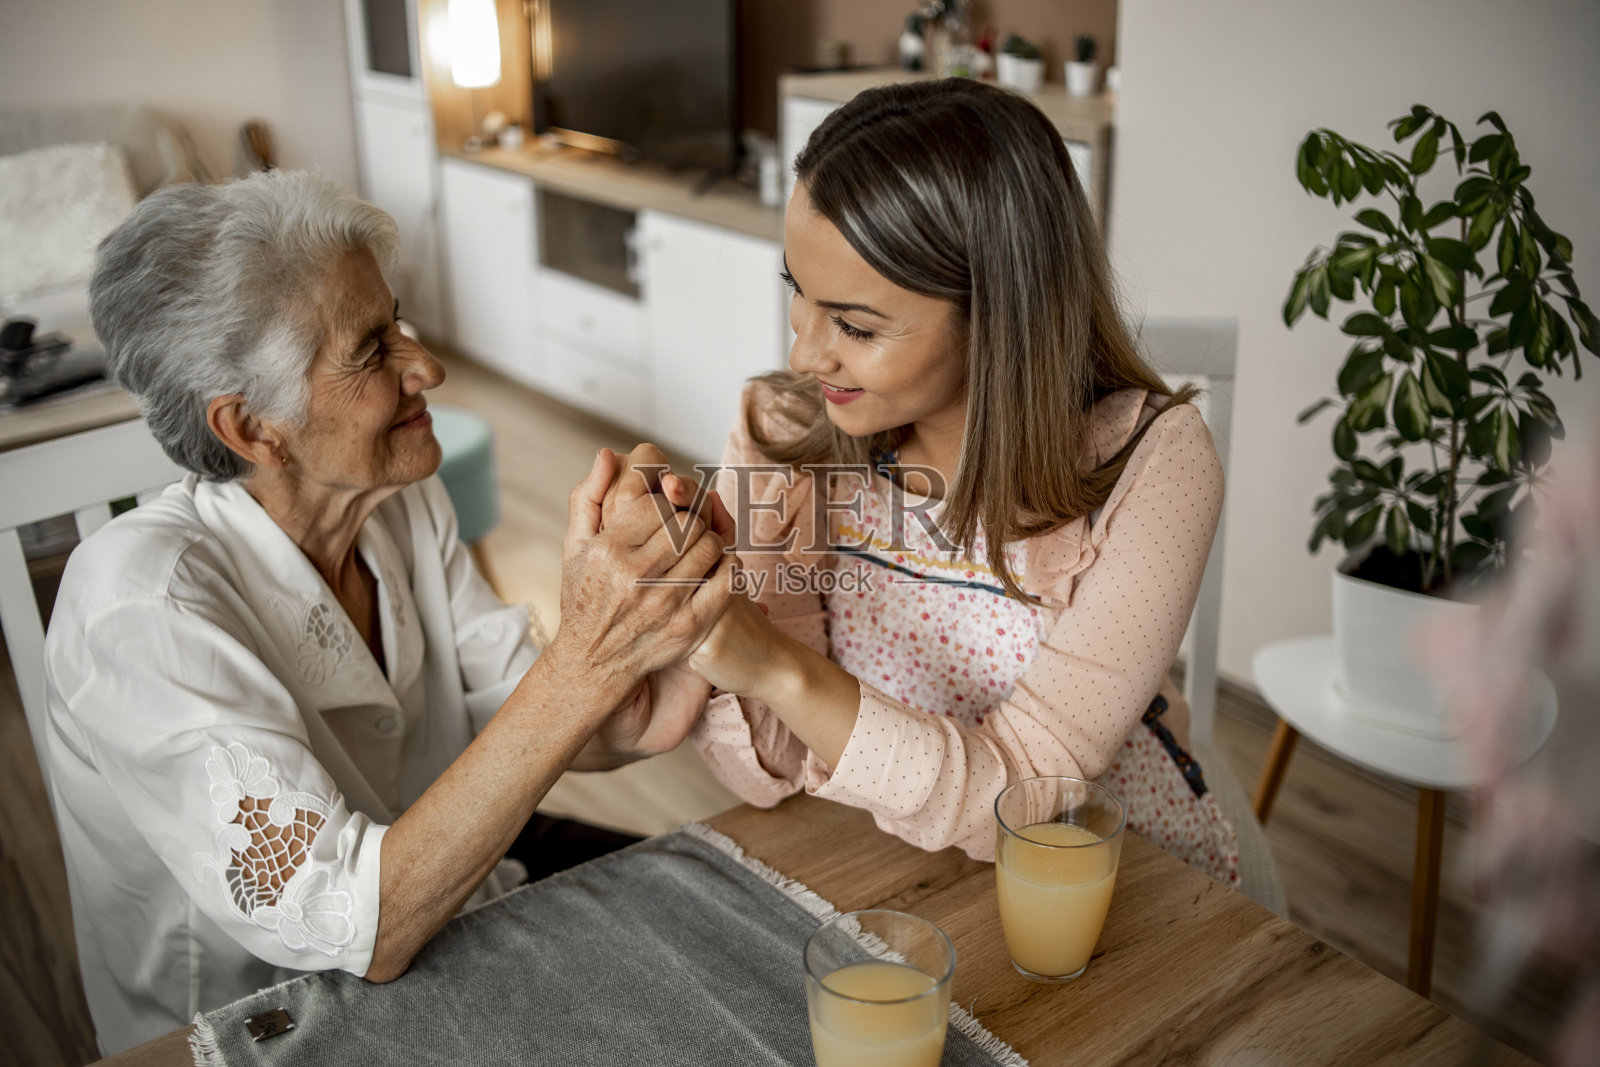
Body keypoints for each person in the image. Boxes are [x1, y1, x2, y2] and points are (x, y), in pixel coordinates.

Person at [44, 171, 731, 1054]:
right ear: (253, 429)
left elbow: (516, 707)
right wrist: (589, 663)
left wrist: (640, 687)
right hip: (269, 1028)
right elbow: (360, 928)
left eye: (397, 318)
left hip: (456, 917)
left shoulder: (397, 499)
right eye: (373, 349)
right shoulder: (139, 608)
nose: (428, 366)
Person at [653, 79, 1240, 880]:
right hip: (877, 857)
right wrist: (714, 603)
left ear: (1001, 315)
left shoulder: (1151, 465)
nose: (804, 355)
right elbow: (774, 765)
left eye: (855, 325)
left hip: (1098, 874)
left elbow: (1028, 799)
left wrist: (777, 668)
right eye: (799, 292)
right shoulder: (782, 432)